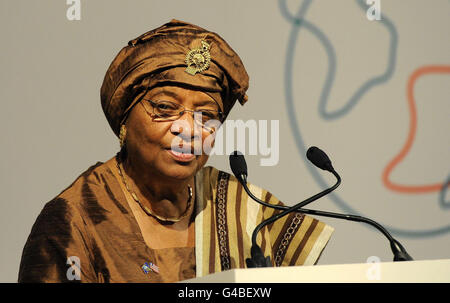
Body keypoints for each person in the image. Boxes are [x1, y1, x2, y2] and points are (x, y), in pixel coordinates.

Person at [18, 19, 334, 283]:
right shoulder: (76, 217)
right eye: (166, 108)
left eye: (206, 116)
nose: (189, 129)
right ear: (124, 119)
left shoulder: (247, 211)